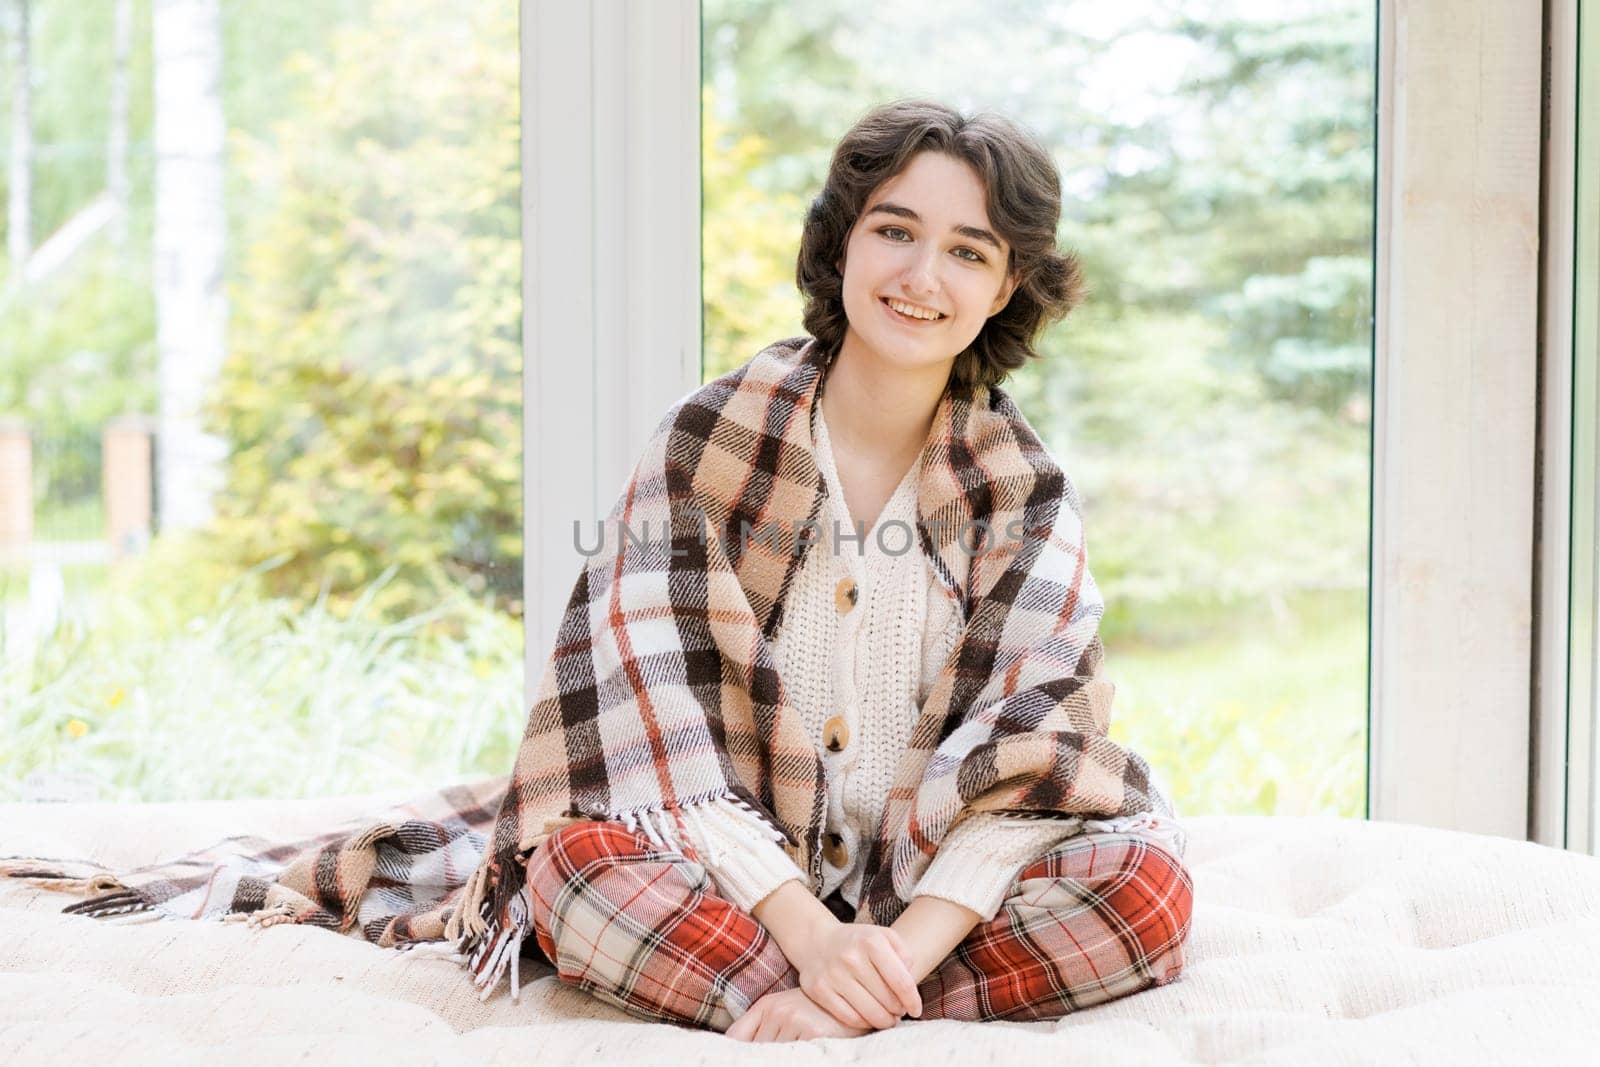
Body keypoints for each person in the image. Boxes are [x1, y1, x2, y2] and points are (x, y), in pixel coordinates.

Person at [516, 98, 1193, 1043]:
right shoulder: (709, 441)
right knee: (572, 869)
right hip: (744, 883)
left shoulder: (1025, 492)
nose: (923, 276)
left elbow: (1036, 749)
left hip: (929, 898)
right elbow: (649, 719)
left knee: (1144, 892)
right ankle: (861, 999)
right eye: (895, 231)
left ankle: (816, 1009)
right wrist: (807, 930)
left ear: (1004, 287)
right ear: (842, 246)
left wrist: (878, 961)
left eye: (969, 250)